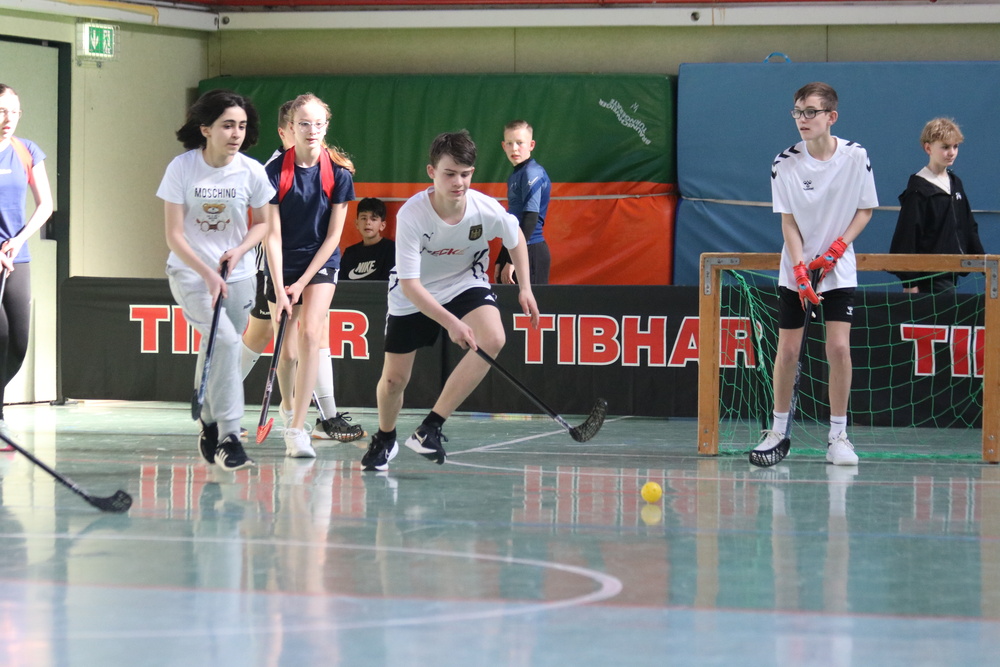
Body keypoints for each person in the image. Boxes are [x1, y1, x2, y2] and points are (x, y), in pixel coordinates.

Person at [361, 130, 540, 472]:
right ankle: (385, 437)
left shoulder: (484, 208)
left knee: (493, 338)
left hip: (463, 281)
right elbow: (410, 285)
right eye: (450, 173)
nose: (458, 182)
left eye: (465, 174)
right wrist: (451, 323)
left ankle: (430, 428)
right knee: (394, 380)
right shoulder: (412, 214)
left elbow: (515, 236)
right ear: (432, 172)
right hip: (414, 292)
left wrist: (526, 288)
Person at [752, 82, 878, 468]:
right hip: (798, 270)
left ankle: (838, 436)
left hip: (838, 270)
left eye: (810, 111)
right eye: (797, 112)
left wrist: (838, 248)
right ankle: (777, 430)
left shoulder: (856, 156)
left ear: (831, 116)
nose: (802, 119)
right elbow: (788, 222)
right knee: (788, 350)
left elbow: (865, 209)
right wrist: (800, 269)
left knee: (838, 348)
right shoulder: (784, 162)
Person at [158, 89, 273, 471]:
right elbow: (174, 234)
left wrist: (240, 251)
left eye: (241, 125)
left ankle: (207, 421)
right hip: (191, 274)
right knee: (223, 340)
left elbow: (263, 224)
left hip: (239, 276)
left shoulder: (252, 171)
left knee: (222, 346)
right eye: (227, 125)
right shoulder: (182, 168)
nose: (236, 133)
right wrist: (207, 272)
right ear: (205, 128)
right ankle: (229, 436)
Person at [241, 100, 364, 443]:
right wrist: (282, 286)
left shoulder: (337, 173)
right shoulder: (273, 172)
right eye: (304, 124)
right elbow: (272, 235)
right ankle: (271, 405)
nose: (312, 131)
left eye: (318, 124)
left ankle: (303, 424)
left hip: (319, 263)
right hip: (279, 263)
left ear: (326, 126)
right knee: (284, 349)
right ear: (289, 129)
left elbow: (333, 237)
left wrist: (302, 283)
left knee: (312, 332)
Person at [0, 84, 53, 448]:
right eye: (2, 111)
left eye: (15, 112)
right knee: (0, 335)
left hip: (16, 256)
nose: (9, 119)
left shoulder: (26, 150)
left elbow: (45, 205)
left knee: (18, 344)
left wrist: (18, 241)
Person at [889, 117, 984, 294]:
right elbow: (908, 236)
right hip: (928, 275)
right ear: (928, 148)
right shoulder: (918, 190)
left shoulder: (955, 183)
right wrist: (909, 282)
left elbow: (969, 226)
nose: (952, 152)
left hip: (951, 270)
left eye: (955, 146)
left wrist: (984, 265)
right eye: (945, 147)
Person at [494, 120, 551, 285]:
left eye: (520, 143)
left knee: (530, 302)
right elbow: (514, 222)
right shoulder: (516, 174)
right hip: (515, 249)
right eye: (509, 143)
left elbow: (530, 219)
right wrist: (502, 256)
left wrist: (513, 260)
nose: (514, 148)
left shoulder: (531, 172)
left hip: (530, 250)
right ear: (503, 146)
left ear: (531, 145)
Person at [340, 197, 395, 281]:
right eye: (364, 218)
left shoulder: (392, 249)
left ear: (382, 225)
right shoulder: (350, 253)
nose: (368, 222)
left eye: (373, 219)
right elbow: (341, 284)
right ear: (357, 223)